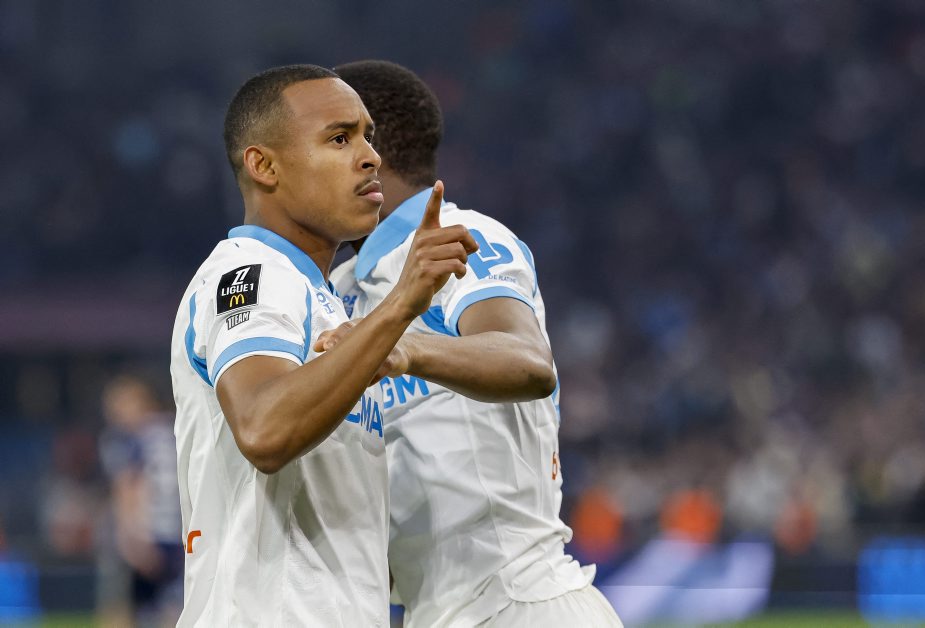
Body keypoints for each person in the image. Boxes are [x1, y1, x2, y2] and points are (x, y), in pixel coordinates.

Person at [169, 64, 477, 626]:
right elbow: (264, 430)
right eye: (339, 138)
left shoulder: (325, 301)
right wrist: (400, 306)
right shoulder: (251, 275)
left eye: (368, 136)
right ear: (263, 166)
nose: (371, 157)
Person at [324, 60, 622, 627]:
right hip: (434, 611)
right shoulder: (340, 289)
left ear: (370, 152)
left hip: (521, 604)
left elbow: (526, 361)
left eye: (331, 140)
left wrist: (405, 349)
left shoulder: (460, 239)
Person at [97, 374, 182, 627]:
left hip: (147, 534)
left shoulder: (138, 439)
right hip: (176, 533)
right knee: (173, 606)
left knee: (123, 604)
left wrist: (130, 538)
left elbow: (128, 486)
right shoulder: (175, 428)